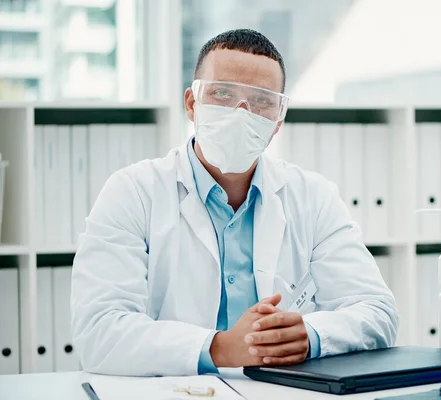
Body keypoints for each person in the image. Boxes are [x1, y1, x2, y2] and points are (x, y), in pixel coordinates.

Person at [71, 29, 399, 377]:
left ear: (278, 120)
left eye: (261, 100)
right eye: (223, 93)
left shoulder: (313, 197)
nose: (242, 112)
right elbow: (98, 331)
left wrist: (312, 336)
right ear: (191, 104)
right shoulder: (132, 192)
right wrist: (219, 348)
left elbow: (378, 313)